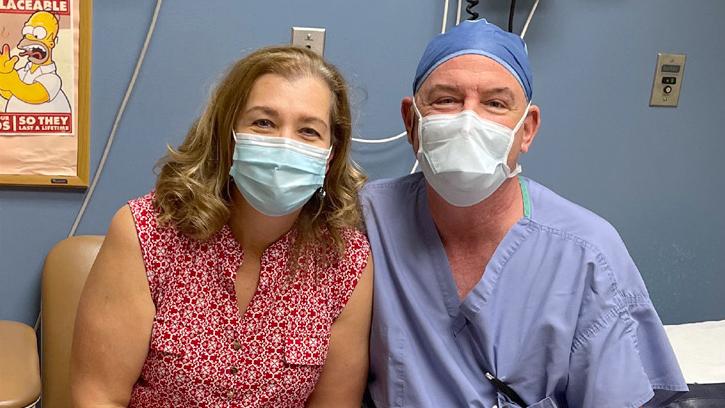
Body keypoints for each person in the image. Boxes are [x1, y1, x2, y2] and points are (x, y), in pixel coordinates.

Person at [362, 20, 687, 408]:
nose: (469, 121)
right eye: (446, 99)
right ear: (411, 121)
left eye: (495, 103)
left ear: (527, 129)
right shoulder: (367, 220)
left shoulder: (588, 255)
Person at [71, 46, 373, 407]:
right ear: (226, 135)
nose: (284, 144)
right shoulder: (148, 232)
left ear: (330, 155)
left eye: (308, 131)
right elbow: (99, 397)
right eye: (264, 122)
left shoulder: (345, 261)